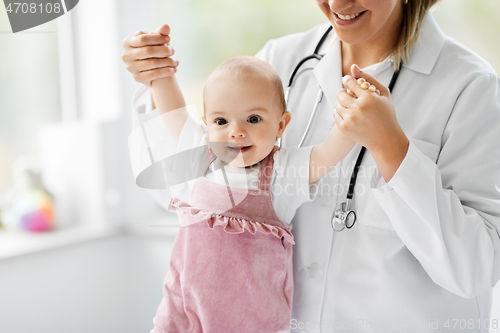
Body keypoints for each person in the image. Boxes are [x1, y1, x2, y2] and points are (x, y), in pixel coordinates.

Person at [122, 1, 500, 332]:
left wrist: (391, 149)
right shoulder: (277, 62)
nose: (337, 1)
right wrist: (156, 77)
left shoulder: (471, 86)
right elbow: (181, 188)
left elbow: (475, 270)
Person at [143, 46, 371, 331]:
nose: (235, 131)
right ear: (207, 125)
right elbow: (173, 114)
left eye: (252, 119)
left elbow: (327, 154)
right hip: (185, 314)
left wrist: (355, 112)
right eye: (221, 121)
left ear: (280, 125)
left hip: (252, 322)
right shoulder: (201, 153)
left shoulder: (282, 172)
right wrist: (160, 68)